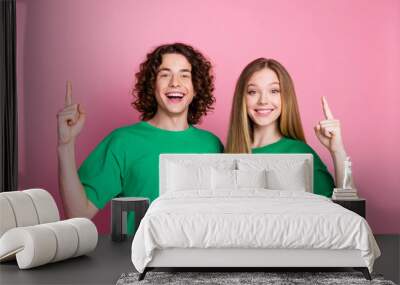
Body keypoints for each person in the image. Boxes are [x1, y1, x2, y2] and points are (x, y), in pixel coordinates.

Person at [57, 43, 223, 232]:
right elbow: (77, 214)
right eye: (165, 74)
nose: (175, 82)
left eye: (185, 75)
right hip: (137, 260)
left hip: (198, 260)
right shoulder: (123, 142)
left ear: (196, 88)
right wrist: (66, 144)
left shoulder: (213, 145)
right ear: (152, 85)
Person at [226, 58, 355, 197]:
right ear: (242, 99)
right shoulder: (227, 156)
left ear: (286, 98)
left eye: (274, 91)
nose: (263, 100)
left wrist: (337, 151)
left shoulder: (300, 153)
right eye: (252, 92)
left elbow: (346, 210)